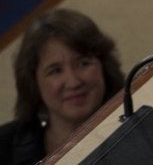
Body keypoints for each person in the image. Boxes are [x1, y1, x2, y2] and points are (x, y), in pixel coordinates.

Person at [0, 8, 125, 164]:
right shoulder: (4, 148)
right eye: (55, 71)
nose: (73, 82)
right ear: (33, 82)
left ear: (104, 67)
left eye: (83, 63)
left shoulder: (142, 127)